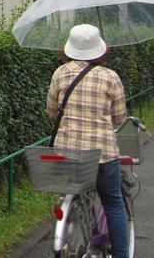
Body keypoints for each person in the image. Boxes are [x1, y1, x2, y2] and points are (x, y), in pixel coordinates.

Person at [46, 23, 129, 258]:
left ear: (70, 49)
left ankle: (70, 228)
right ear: (100, 50)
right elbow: (119, 117)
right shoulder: (110, 77)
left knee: (75, 191)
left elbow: (52, 112)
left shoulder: (60, 73)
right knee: (113, 204)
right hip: (102, 154)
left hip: (66, 154)